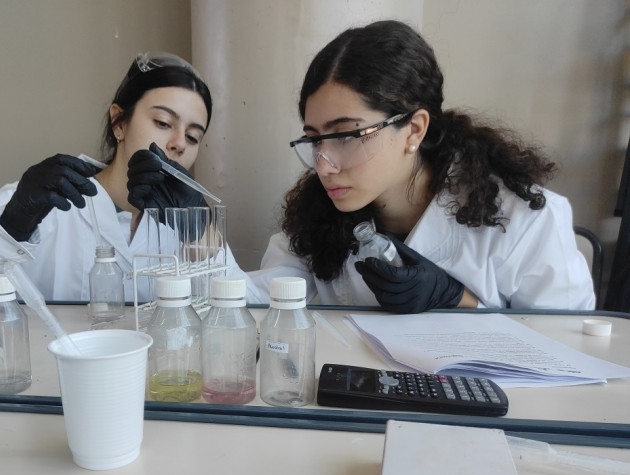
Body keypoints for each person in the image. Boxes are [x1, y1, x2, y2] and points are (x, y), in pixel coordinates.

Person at [250, 20, 595, 312]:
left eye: (345, 136)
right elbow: (266, 297)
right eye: (314, 140)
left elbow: (570, 346)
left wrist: (458, 298)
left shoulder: (523, 218)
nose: (324, 166)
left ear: (413, 129)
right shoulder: (315, 218)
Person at [0, 52, 246, 316]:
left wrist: (203, 234)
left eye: (194, 136)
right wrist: (12, 226)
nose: (179, 144)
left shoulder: (191, 224)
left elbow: (249, 315)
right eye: (164, 123)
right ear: (119, 122)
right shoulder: (49, 200)